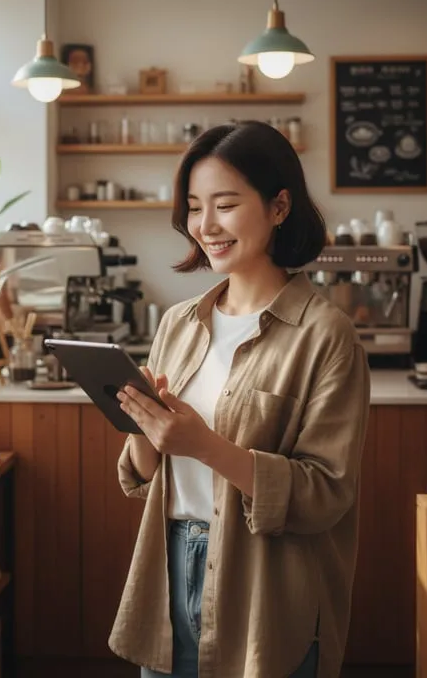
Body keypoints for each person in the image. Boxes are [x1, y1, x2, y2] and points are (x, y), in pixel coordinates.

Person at [108, 121, 370, 678]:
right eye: (195, 207)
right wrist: (143, 426)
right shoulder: (179, 323)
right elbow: (145, 475)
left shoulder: (326, 334)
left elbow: (326, 492)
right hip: (168, 563)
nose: (206, 226)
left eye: (225, 204)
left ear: (279, 207)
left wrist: (204, 446)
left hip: (268, 582)